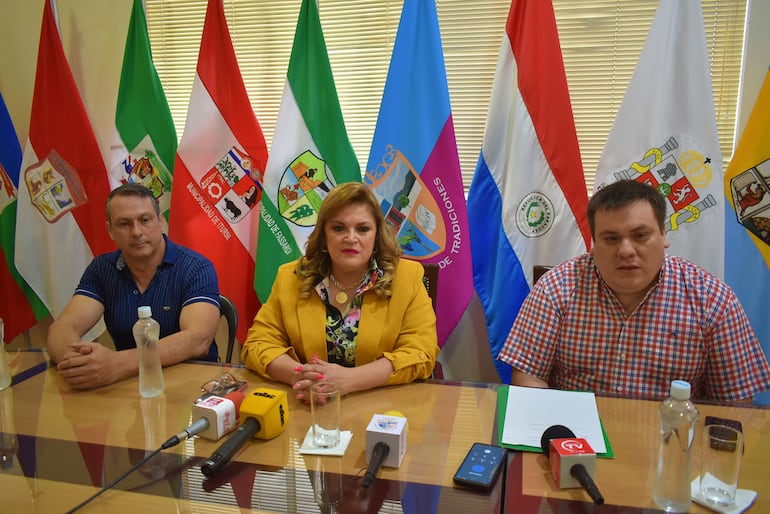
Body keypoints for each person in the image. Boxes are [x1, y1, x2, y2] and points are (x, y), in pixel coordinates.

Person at [498, 179, 770, 403]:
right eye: (611, 238)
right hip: (573, 444)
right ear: (594, 244)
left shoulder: (713, 299)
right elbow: (528, 377)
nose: (626, 250)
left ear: (664, 235)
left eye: (640, 236)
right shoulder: (557, 287)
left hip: (669, 445)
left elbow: (735, 403)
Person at [241, 182, 438, 401]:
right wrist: (302, 376)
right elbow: (257, 345)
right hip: (310, 404)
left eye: (362, 229)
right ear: (324, 237)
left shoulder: (407, 278)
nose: (351, 238)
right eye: (338, 228)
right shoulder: (292, 278)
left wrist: (349, 380)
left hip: (380, 407)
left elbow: (421, 353)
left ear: (376, 237)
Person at [47, 183, 221, 390]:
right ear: (110, 230)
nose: (137, 232)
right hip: (131, 387)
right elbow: (63, 329)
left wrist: (117, 364)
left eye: (145, 220)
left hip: (193, 386)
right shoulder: (102, 269)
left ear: (161, 221)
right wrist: (79, 364)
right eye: (124, 224)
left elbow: (198, 340)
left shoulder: (195, 267)